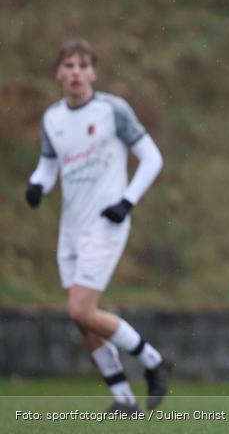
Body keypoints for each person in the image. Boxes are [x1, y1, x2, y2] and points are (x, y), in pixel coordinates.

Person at [25, 40, 167, 414]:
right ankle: (124, 400)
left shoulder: (112, 110)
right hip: (70, 229)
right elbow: (48, 165)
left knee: (80, 310)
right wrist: (37, 185)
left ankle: (152, 360)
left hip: (106, 224)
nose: (75, 72)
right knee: (84, 321)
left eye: (82, 65)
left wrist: (127, 201)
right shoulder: (52, 118)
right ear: (58, 73)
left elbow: (152, 157)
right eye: (69, 65)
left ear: (93, 73)